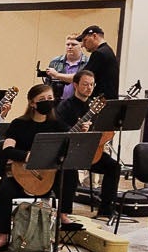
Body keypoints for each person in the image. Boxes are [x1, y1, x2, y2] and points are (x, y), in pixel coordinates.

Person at [0, 83, 69, 252]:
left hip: (47, 178)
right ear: (32, 103)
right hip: (22, 176)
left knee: (69, 174)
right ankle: (3, 237)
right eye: (42, 99)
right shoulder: (19, 124)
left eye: (50, 98)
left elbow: (68, 148)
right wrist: (26, 156)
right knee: (4, 189)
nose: (47, 102)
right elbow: (7, 149)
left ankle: (63, 218)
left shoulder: (58, 125)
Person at [52, 70, 124, 217]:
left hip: (90, 153)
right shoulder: (65, 106)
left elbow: (104, 130)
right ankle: (64, 214)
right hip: (70, 153)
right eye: (85, 84)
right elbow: (61, 132)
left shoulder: (95, 106)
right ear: (75, 85)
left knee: (114, 167)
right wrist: (78, 130)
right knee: (69, 172)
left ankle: (106, 208)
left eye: (92, 84)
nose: (89, 88)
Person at [79, 25, 120, 99]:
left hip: (101, 102)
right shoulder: (108, 51)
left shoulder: (99, 53)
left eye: (85, 40)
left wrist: (57, 75)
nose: (83, 45)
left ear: (94, 36)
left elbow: (81, 77)